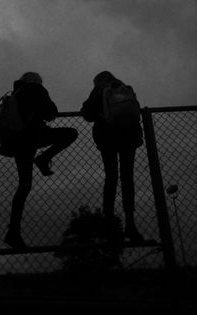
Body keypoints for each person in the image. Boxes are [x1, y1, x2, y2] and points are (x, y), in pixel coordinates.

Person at [0, 72, 78, 249]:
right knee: (71, 133)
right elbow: (51, 112)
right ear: (36, 80)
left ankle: (13, 232)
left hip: (19, 141)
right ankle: (44, 158)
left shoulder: (15, 93)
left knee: (24, 185)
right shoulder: (35, 88)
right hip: (35, 135)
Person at [80, 71, 144, 243]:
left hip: (107, 136)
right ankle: (130, 224)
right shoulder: (125, 88)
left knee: (111, 176)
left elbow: (87, 113)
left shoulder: (100, 89)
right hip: (129, 135)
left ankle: (109, 224)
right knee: (127, 177)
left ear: (98, 81)